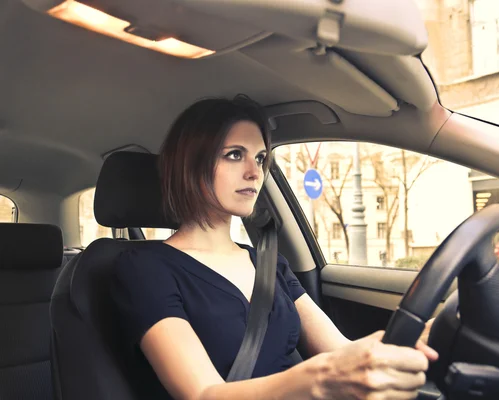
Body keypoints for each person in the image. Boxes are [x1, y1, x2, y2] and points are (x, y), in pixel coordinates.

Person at [110, 95, 438, 400]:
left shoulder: (269, 264)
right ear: (190, 165)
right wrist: (319, 379)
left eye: (261, 158)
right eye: (234, 155)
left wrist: (412, 336)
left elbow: (340, 350)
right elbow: (204, 393)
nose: (255, 173)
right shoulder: (144, 268)